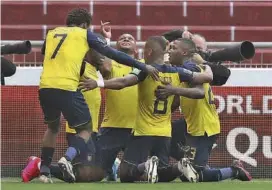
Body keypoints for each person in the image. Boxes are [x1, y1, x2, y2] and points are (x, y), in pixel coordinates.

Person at [38, 7, 159, 183]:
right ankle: (67, 159)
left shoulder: (52, 33)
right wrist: (142, 66)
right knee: (86, 129)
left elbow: (45, 52)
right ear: (84, 24)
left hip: (45, 86)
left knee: (52, 128)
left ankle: (44, 169)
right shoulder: (84, 34)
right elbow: (112, 55)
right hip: (68, 86)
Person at [79, 36, 213, 183]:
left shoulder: (145, 69)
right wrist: (207, 67)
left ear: (148, 51)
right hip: (164, 133)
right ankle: (179, 167)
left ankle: (147, 165)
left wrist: (98, 83)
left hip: (143, 131)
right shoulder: (178, 72)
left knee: (125, 174)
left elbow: (123, 82)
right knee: (161, 175)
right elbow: (203, 83)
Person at [155, 39, 252, 182]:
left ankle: (234, 171)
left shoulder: (192, 68)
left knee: (193, 176)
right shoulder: (183, 71)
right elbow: (178, 98)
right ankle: (197, 163)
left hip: (204, 127)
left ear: (184, 52)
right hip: (193, 126)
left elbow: (199, 92)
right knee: (187, 170)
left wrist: (172, 89)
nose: (169, 51)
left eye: (173, 48)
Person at [96, 33, 144, 181]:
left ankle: (116, 167)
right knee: (94, 174)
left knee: (137, 176)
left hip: (137, 128)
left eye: (130, 38)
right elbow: (104, 67)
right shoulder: (111, 64)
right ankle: (110, 167)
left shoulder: (142, 64)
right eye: (122, 38)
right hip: (112, 126)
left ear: (136, 49)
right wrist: (108, 40)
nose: (126, 39)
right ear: (115, 47)